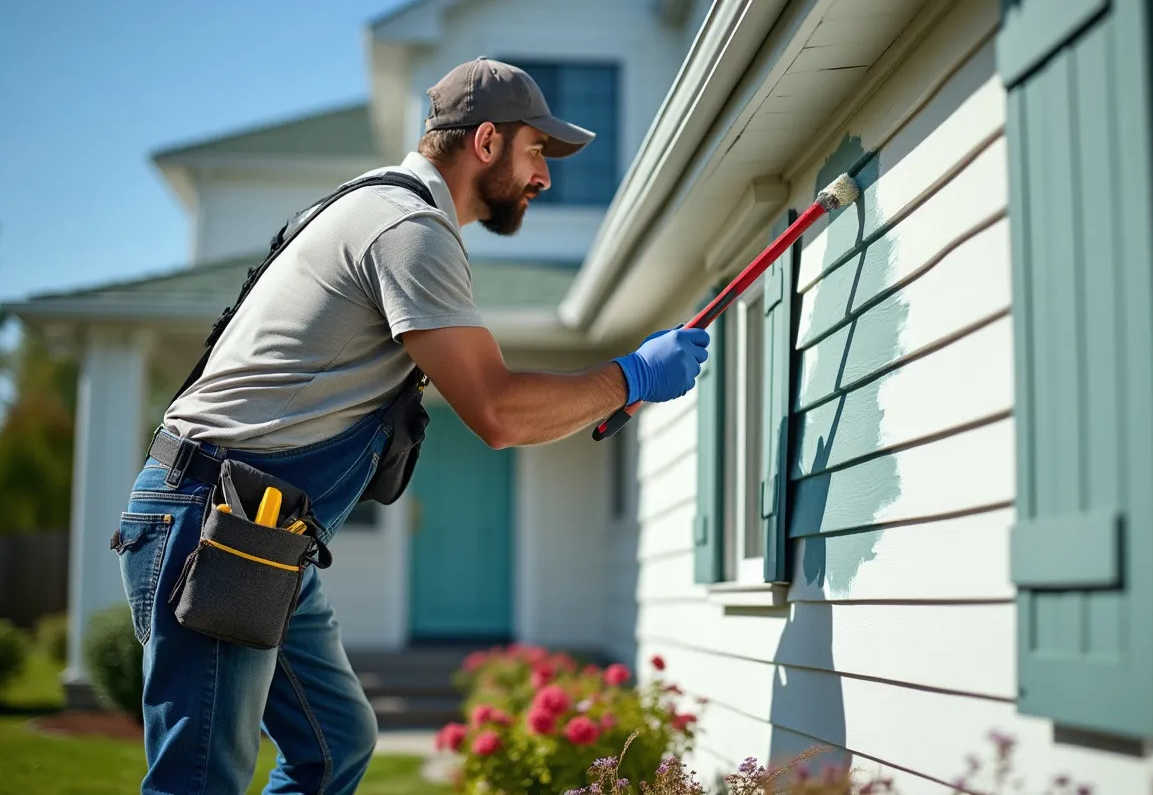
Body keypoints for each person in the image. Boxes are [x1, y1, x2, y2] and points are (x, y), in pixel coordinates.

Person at [114, 57, 709, 795]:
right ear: (485, 142)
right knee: (201, 780)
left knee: (334, 744)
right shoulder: (407, 228)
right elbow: (494, 411)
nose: (545, 176)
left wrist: (614, 384)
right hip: (216, 526)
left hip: (264, 528)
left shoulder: (381, 209)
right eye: (536, 151)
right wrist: (632, 375)